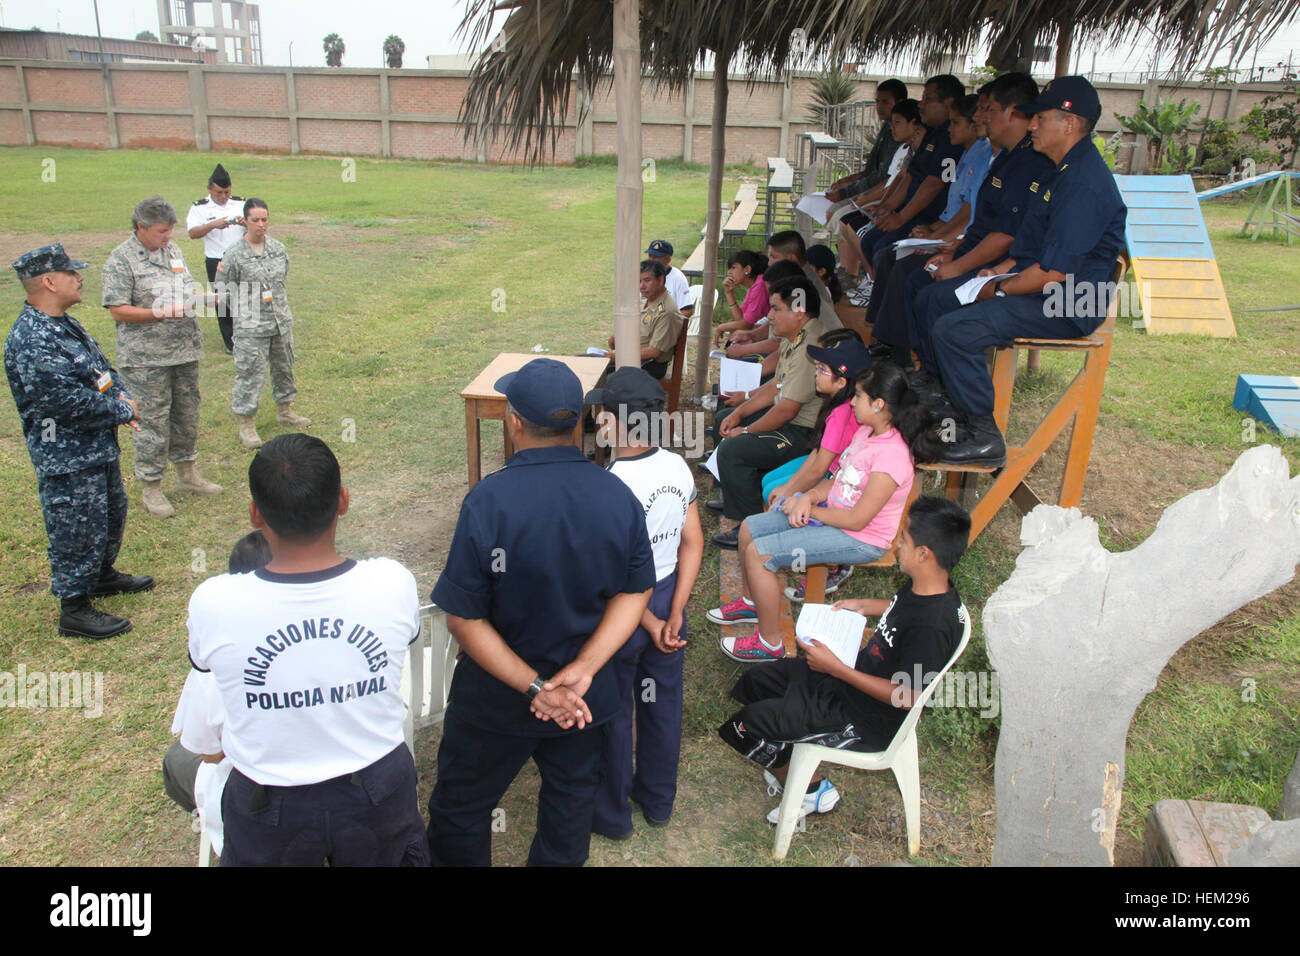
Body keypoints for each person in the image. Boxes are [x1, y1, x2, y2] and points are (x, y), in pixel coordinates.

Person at [426, 358, 655, 867]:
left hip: (496, 698)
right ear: (580, 423)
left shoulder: (488, 502)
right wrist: (583, 671)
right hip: (582, 699)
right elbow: (635, 592)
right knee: (569, 807)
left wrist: (534, 686)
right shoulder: (617, 497)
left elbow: (464, 616)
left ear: (513, 422)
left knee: (463, 809)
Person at [186, 434, 428, 866]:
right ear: (343, 501)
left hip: (268, 803)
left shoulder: (214, 602)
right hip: (377, 789)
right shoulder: (391, 583)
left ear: (255, 514)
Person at [718, 496, 970, 824]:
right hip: (850, 679)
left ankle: (810, 790)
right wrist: (865, 605)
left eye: (904, 540)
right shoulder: (926, 586)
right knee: (755, 682)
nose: (896, 543)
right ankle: (790, 754)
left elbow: (905, 695)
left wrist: (836, 668)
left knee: (744, 727)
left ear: (924, 554)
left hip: (864, 718)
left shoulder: (934, 626)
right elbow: (902, 609)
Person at [925, 76, 1127, 466]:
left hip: (1069, 303)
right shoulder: (1061, 168)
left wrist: (999, 290)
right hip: (1044, 284)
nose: (1031, 125)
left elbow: (1054, 274)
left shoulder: (1084, 183)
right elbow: (1035, 247)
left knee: (956, 328)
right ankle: (948, 403)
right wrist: (1001, 271)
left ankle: (984, 437)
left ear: (1069, 123)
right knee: (943, 301)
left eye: (1040, 118)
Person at [713, 363, 943, 663]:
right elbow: (837, 480)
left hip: (861, 538)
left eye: (858, 396)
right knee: (749, 528)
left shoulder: (892, 456)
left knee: (761, 554)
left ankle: (770, 644)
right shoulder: (866, 433)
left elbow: (858, 520)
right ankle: (751, 601)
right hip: (834, 516)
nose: (851, 401)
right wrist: (808, 496)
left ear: (879, 404)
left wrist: (810, 511)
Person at [5, 244, 152, 640]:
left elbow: (100, 369)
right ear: (49, 282)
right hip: (66, 456)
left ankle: (101, 575)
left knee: (108, 514)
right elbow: (64, 402)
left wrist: (119, 395)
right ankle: (74, 608)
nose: (80, 277)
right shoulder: (33, 338)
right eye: (71, 274)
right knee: (74, 526)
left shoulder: (63, 323)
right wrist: (122, 411)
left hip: (95, 447)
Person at [586, 367, 704, 838]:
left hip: (627, 610)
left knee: (614, 710)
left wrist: (652, 621)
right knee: (662, 704)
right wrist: (675, 611)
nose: (597, 420)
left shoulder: (610, 484)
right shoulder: (676, 466)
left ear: (617, 423)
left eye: (601, 413)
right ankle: (658, 799)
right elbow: (692, 542)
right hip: (668, 592)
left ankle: (612, 815)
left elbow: (611, 577)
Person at [876, 73, 1054, 375]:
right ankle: (920, 368)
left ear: (1012, 113)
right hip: (981, 253)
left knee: (932, 293)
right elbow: (982, 223)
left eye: (989, 110)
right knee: (915, 274)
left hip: (1009, 269)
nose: (980, 117)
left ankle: (942, 383)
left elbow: (1006, 236)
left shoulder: (1031, 164)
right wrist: (954, 249)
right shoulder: (1006, 159)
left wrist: (959, 264)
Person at [102, 195, 222, 518]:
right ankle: (152, 487)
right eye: (160, 231)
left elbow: (183, 289)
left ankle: (187, 475)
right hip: (146, 358)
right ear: (140, 228)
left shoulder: (173, 251)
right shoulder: (121, 259)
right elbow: (117, 310)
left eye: (170, 231)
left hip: (183, 349)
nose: (167, 237)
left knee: (186, 413)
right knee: (152, 421)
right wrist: (161, 312)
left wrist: (202, 298)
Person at [163, 530, 270, 858]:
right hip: (338, 790)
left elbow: (209, 753)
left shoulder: (219, 655)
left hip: (262, 798)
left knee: (176, 760)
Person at [710, 275, 829, 549]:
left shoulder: (810, 347)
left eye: (775, 308)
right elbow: (776, 384)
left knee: (734, 448)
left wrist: (747, 429)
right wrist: (739, 412)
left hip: (803, 434)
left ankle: (750, 525)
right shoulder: (794, 337)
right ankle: (735, 498)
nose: (769, 316)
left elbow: (787, 409)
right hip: (788, 421)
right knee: (722, 420)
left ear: (798, 311)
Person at [218, 198, 311, 449]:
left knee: (284, 367)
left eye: (265, 219)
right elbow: (223, 289)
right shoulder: (234, 254)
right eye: (255, 220)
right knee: (250, 374)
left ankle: (285, 409)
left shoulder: (278, 249)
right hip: (251, 325)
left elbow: (282, 279)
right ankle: (246, 424)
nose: (261, 225)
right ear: (245, 221)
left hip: (280, 320)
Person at [186, 162, 245, 354]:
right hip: (216, 260)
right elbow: (193, 233)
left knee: (245, 297)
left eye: (227, 192)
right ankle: (230, 342)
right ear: (209, 189)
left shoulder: (240, 204)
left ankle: (247, 336)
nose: (224, 196)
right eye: (219, 192)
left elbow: (256, 225)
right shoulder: (199, 208)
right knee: (222, 300)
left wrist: (247, 222)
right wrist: (212, 225)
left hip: (240, 257)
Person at [609, 260, 684, 379]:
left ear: (660, 280)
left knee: (599, 371)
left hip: (650, 365)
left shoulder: (667, 312)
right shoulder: (645, 300)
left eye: (647, 280)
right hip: (633, 357)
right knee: (588, 360)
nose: (641, 286)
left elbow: (654, 352)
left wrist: (620, 355)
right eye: (639, 281)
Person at [712, 249, 769, 346]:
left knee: (735, 339)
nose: (729, 272)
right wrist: (729, 293)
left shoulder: (760, 285)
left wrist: (721, 327)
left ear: (747, 269)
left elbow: (746, 325)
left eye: (733, 268)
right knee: (735, 337)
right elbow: (740, 319)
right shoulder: (753, 286)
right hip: (769, 325)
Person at [644, 239, 695, 318]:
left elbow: (687, 311)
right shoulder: (643, 276)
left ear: (668, 260)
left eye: (656, 257)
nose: (651, 260)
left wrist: (668, 322)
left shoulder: (678, 278)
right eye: (650, 256)